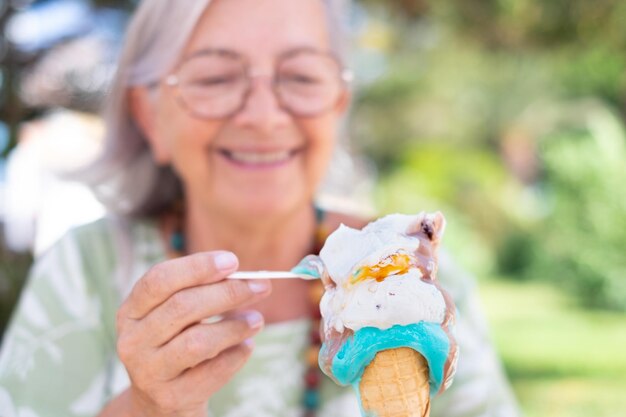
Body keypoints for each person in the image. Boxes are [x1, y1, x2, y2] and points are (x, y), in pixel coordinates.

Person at [0, 1, 521, 416]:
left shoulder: (420, 276)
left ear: (336, 108)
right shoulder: (84, 271)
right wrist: (146, 410)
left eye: (299, 76)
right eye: (215, 78)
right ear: (151, 116)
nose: (264, 115)